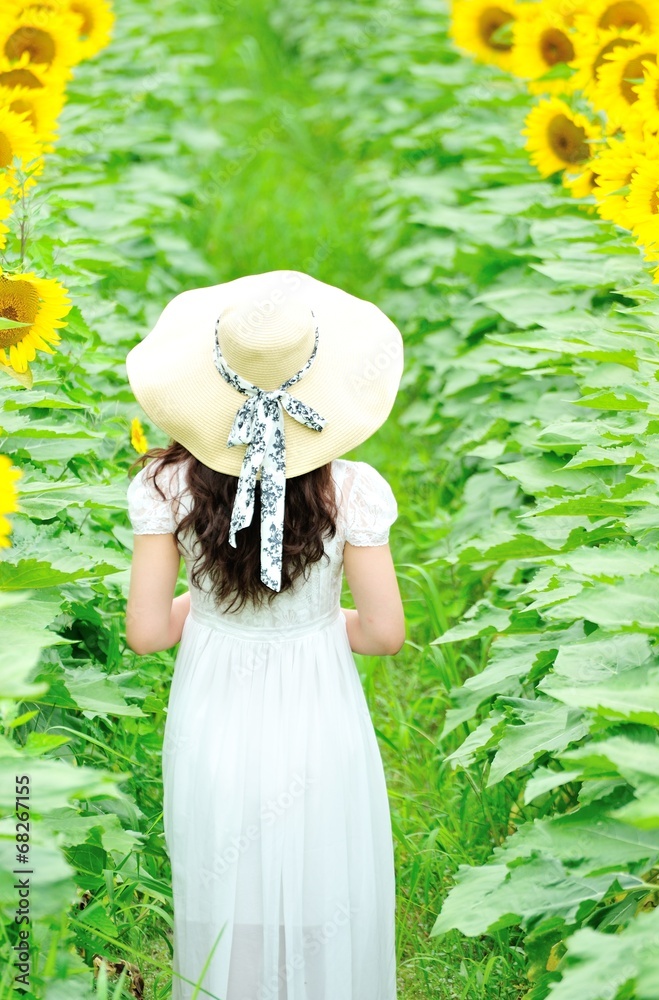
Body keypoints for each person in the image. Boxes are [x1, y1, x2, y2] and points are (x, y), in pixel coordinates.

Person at [124, 269, 405, 1000]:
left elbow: (149, 632)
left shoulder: (167, 488)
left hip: (214, 705)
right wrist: (308, 623)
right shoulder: (352, 491)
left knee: (227, 878)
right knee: (318, 874)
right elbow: (382, 633)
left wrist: (210, 609)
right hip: (318, 706)